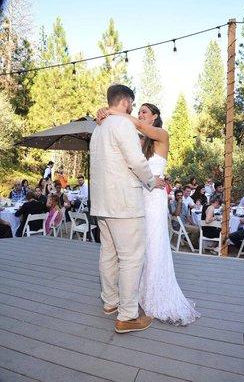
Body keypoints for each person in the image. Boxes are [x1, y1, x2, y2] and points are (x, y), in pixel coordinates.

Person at [96, 93, 200, 326]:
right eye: (138, 110)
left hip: (153, 198)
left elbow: (136, 124)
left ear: (154, 117)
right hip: (135, 195)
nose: (139, 114)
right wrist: (105, 115)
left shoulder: (161, 135)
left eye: (144, 111)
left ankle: (154, 295)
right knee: (132, 248)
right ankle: (134, 295)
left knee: (152, 244)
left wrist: (113, 111)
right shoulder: (138, 139)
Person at [91, 84, 166, 334]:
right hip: (124, 204)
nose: (134, 109)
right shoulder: (122, 125)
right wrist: (151, 181)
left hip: (102, 203)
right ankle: (128, 315)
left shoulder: (98, 127)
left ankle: (110, 302)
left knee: (108, 254)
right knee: (131, 258)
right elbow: (135, 161)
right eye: (133, 105)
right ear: (126, 102)